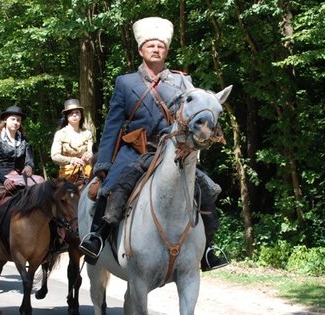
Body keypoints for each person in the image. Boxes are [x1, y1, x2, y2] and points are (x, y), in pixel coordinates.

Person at [78, 17, 229, 271]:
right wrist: (103, 162)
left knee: (207, 189)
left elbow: (196, 119)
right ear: (141, 50)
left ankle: (209, 249)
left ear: (166, 50)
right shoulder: (125, 83)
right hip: (137, 149)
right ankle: (96, 238)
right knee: (111, 187)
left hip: (175, 150)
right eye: (151, 45)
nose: (156, 49)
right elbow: (113, 125)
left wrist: (195, 143)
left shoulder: (183, 82)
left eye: (160, 46)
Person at [0, 105, 40, 198]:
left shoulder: (23, 140)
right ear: (5, 120)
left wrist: (29, 167)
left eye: (18, 120)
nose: (16, 122)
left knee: (40, 181)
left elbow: (29, 160)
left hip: (20, 178)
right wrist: (4, 180)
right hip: (3, 180)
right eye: (13, 119)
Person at [50, 99, 93, 182]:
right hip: (67, 173)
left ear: (81, 115)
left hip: (87, 170)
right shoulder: (60, 134)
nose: (74, 115)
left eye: (77, 112)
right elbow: (54, 156)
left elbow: (90, 152)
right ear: (66, 116)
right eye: (71, 113)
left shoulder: (88, 133)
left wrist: (88, 156)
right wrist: (71, 160)